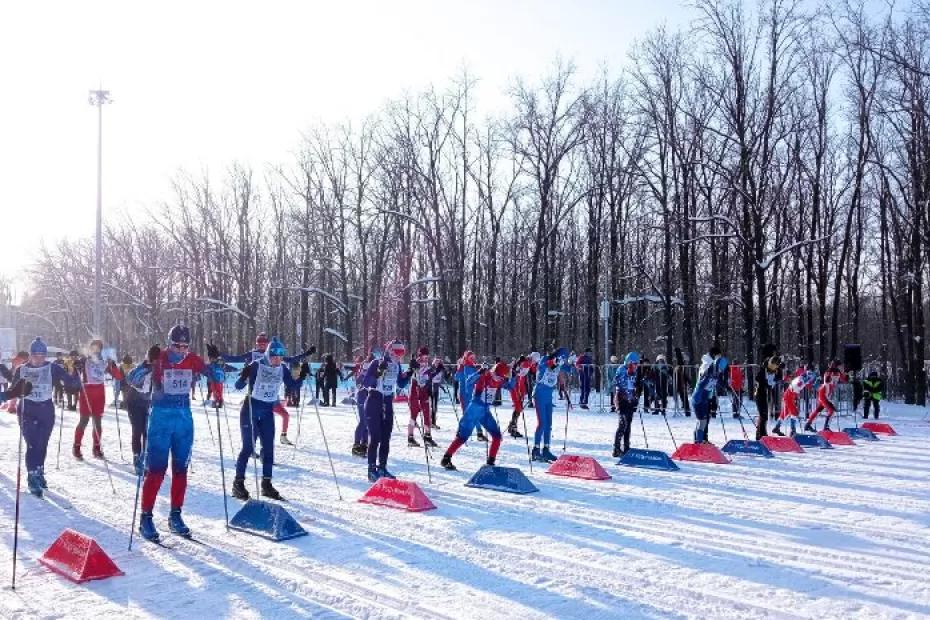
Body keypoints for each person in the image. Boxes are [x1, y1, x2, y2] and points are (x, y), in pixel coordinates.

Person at [134, 325, 221, 542]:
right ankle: (146, 517)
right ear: (169, 343)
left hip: (183, 420)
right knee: (156, 471)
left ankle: (175, 516)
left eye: (185, 346)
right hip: (161, 419)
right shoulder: (160, 358)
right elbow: (132, 379)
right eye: (177, 345)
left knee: (181, 470)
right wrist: (147, 363)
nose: (181, 350)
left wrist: (215, 361)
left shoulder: (193, 359)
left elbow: (216, 376)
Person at [231, 337, 308, 501]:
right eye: (274, 356)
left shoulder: (282, 369)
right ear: (268, 355)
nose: (277, 360)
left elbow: (292, 386)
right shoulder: (256, 365)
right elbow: (238, 386)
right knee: (248, 448)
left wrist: (302, 376)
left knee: (268, 448)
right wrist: (243, 377)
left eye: (280, 357)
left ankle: (266, 484)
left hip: (267, 411)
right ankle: (238, 483)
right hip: (250, 409)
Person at [218, 332, 315, 445]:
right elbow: (235, 358)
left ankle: (282, 437)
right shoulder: (253, 355)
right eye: (259, 343)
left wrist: (306, 354)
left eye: (264, 343)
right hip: (255, 395)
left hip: (271, 397)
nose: (261, 345)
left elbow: (291, 359)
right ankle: (252, 447)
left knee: (284, 415)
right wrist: (220, 355)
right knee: (257, 424)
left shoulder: (276, 355)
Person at [13, 337, 80, 496]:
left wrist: (73, 372)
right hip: (27, 409)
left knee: (42, 444)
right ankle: (32, 476)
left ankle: (39, 471)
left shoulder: (52, 368)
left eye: (42, 355)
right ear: (30, 355)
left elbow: (72, 384)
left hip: (45, 410)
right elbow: (13, 389)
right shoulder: (21, 369)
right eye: (35, 355)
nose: (38, 359)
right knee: (32, 443)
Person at [440, 361, 516, 470]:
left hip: (485, 412)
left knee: (497, 436)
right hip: (474, 410)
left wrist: (516, 373)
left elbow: (510, 386)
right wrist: (479, 372)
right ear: (494, 372)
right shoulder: (485, 376)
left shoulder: (500, 380)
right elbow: (469, 381)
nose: (499, 379)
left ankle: (490, 462)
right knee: (462, 437)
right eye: (498, 376)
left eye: (501, 377)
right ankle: (446, 458)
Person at [359, 340, 411, 482]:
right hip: (374, 401)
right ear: (390, 351)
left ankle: (382, 467)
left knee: (386, 438)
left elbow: (401, 383)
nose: (399, 357)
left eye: (401, 354)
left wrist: (410, 371)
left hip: (387, 402)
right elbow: (365, 382)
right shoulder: (377, 362)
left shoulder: (397, 365)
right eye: (397, 353)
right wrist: (377, 372)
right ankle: (371, 469)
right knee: (375, 437)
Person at [73, 339, 124, 460]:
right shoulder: (84, 359)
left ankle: (96, 447)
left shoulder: (104, 361)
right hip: (86, 392)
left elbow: (118, 376)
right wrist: (76, 366)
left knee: (97, 422)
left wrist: (113, 366)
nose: (96, 350)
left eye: (98, 348)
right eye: (93, 347)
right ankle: (76, 446)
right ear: (90, 348)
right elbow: (74, 372)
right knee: (84, 420)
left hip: (99, 393)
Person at [125, 346, 161, 475]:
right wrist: (147, 369)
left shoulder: (160, 368)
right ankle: (137, 458)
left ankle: (146, 458)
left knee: (148, 432)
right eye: (155, 360)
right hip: (134, 401)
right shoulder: (143, 367)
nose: (157, 363)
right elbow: (130, 379)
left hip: (149, 402)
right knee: (138, 430)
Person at [531, 346, 569, 463]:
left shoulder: (560, 363)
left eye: (564, 358)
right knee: (542, 423)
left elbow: (568, 369)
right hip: (539, 394)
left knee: (549, 424)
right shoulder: (546, 359)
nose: (563, 360)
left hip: (548, 396)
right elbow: (546, 365)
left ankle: (546, 449)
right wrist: (556, 362)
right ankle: (536, 450)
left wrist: (572, 363)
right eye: (562, 357)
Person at [691, 346, 727, 444]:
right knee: (702, 420)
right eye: (718, 355)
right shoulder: (707, 364)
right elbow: (703, 379)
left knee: (704, 420)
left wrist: (724, 383)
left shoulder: (714, 367)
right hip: (699, 397)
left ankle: (700, 440)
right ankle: (699, 441)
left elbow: (715, 381)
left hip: (706, 397)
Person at [406, 347, 440, 448]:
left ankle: (427, 436)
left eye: (427, 357)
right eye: (424, 356)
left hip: (424, 391)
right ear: (420, 355)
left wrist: (435, 368)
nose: (425, 358)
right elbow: (411, 372)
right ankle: (410, 437)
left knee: (427, 413)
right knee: (414, 414)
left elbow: (428, 375)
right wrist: (412, 367)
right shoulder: (416, 363)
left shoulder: (427, 364)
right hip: (415, 390)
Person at [613, 352, 643, 457]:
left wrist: (635, 395)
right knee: (623, 423)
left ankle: (626, 446)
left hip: (630, 400)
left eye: (637, 364)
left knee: (628, 424)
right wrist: (628, 373)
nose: (636, 366)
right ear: (629, 362)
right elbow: (618, 383)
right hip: (621, 399)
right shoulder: (621, 369)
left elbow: (633, 385)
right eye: (634, 363)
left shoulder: (634, 372)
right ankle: (616, 448)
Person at [805, 360, 848, 432]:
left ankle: (808, 425)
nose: (842, 368)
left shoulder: (838, 373)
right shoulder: (829, 372)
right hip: (823, 394)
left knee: (818, 410)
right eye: (841, 366)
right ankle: (826, 427)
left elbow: (845, 380)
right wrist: (830, 373)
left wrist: (846, 374)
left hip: (827, 394)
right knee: (831, 411)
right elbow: (827, 380)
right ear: (836, 366)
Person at [454, 351, 486, 442]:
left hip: (471, 394)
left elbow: (476, 379)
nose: (473, 359)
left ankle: (479, 433)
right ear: (466, 358)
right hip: (464, 394)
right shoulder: (465, 367)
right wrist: (479, 372)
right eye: (470, 357)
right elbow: (465, 378)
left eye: (473, 357)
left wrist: (482, 371)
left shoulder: (472, 367)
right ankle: (460, 432)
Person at [752, 344, 780, 440]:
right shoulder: (765, 364)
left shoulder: (769, 365)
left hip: (763, 391)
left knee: (764, 414)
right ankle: (761, 435)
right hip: (759, 392)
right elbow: (760, 377)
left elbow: (775, 374)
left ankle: (761, 433)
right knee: (763, 414)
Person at [772, 373, 813, 437]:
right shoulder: (800, 381)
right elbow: (799, 385)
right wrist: (806, 382)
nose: (808, 381)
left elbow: (803, 385)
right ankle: (792, 430)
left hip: (790, 397)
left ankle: (777, 427)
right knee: (794, 413)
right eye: (808, 379)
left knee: (785, 414)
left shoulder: (801, 379)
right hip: (789, 397)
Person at [351, 354, 373, 457]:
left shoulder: (372, 368)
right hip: (362, 398)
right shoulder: (365, 368)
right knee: (363, 422)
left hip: (368, 399)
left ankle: (364, 444)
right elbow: (359, 382)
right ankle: (356, 445)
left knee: (367, 422)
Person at [507, 355, 532, 438]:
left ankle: (512, 426)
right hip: (515, 390)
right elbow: (513, 380)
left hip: (520, 391)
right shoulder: (517, 368)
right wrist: (518, 391)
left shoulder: (526, 366)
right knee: (518, 408)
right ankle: (513, 428)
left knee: (518, 408)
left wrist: (523, 392)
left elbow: (523, 379)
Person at [428, 357, 448, 429]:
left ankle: (433, 422)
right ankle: (431, 422)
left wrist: (447, 373)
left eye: (439, 362)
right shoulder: (431, 368)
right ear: (433, 362)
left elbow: (442, 379)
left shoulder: (440, 369)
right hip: (430, 389)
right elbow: (430, 377)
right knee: (431, 406)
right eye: (436, 361)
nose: (437, 363)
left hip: (436, 389)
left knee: (434, 407)